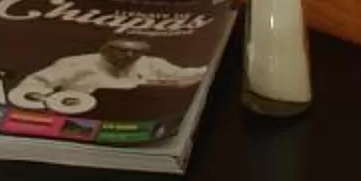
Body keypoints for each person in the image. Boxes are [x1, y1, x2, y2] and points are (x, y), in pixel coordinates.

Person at [11, 34, 211, 114]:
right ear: (105, 48)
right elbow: (35, 84)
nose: (130, 55)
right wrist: (44, 103)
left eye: (136, 51)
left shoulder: (152, 64)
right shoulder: (76, 63)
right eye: (122, 50)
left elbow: (184, 75)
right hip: (86, 117)